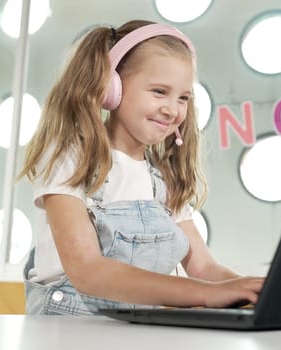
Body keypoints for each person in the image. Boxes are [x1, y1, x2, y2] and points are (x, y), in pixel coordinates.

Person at [19, 19, 263, 315]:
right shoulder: (71, 158)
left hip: (135, 331)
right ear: (112, 87)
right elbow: (87, 269)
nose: (173, 110)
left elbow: (203, 267)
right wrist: (208, 294)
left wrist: (259, 290)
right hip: (68, 330)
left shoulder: (164, 179)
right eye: (159, 92)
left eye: (183, 98)